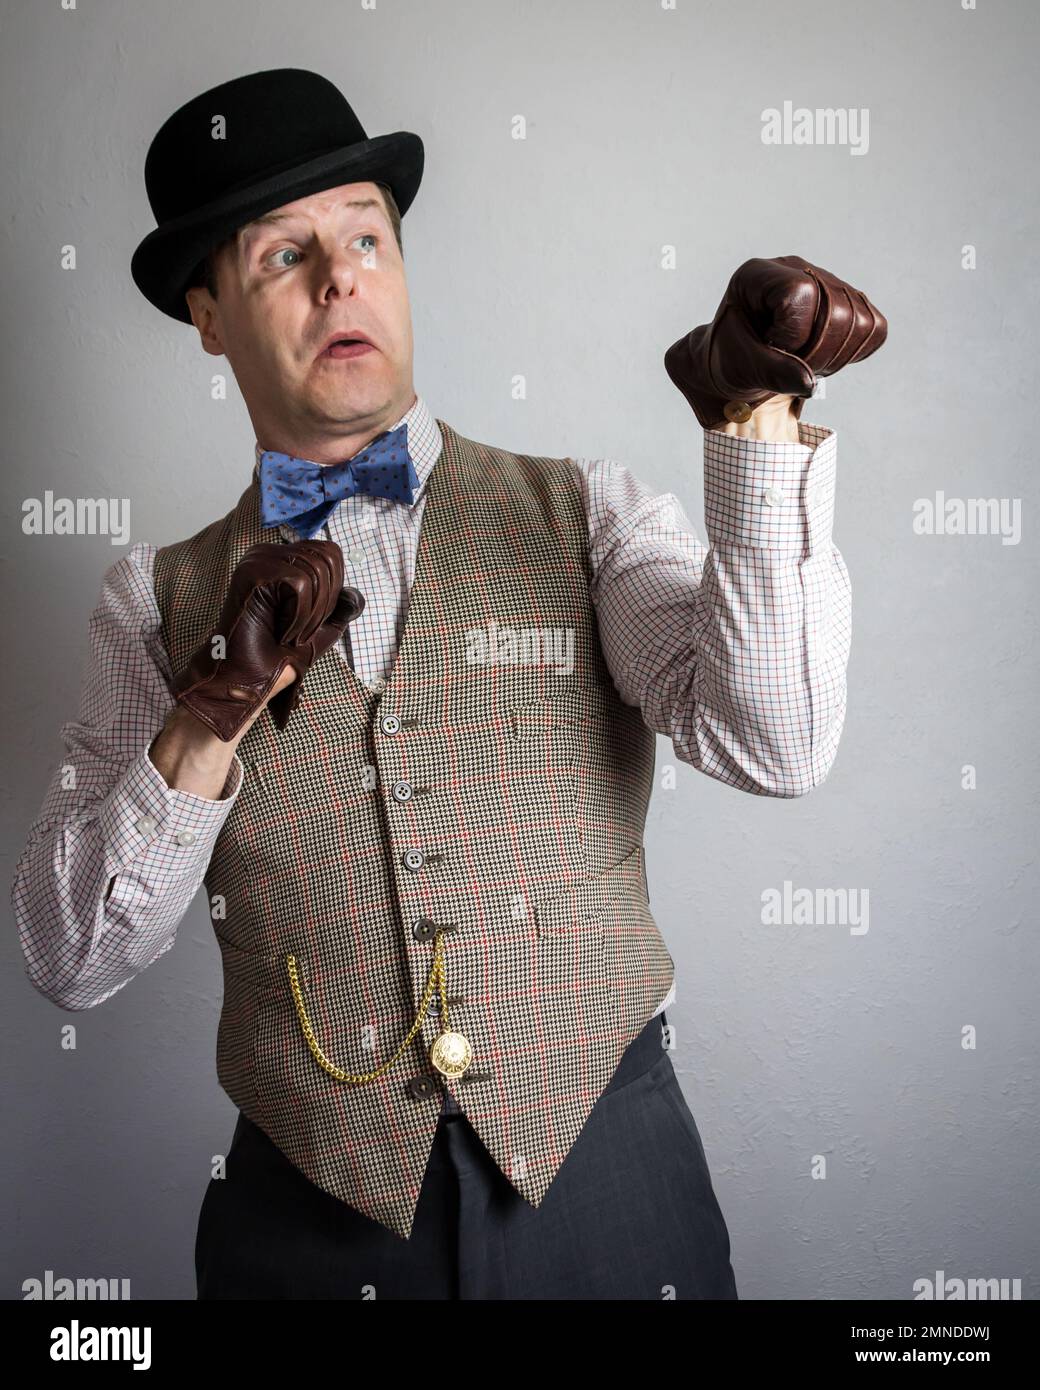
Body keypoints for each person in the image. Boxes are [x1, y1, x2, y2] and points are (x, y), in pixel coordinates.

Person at [11, 67, 886, 1300]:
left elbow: (776, 744)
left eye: (366, 235)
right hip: (303, 1227)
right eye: (282, 257)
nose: (340, 277)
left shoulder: (584, 510)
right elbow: (67, 957)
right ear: (206, 312)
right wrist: (207, 715)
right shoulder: (147, 603)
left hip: (609, 1184)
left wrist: (751, 421)